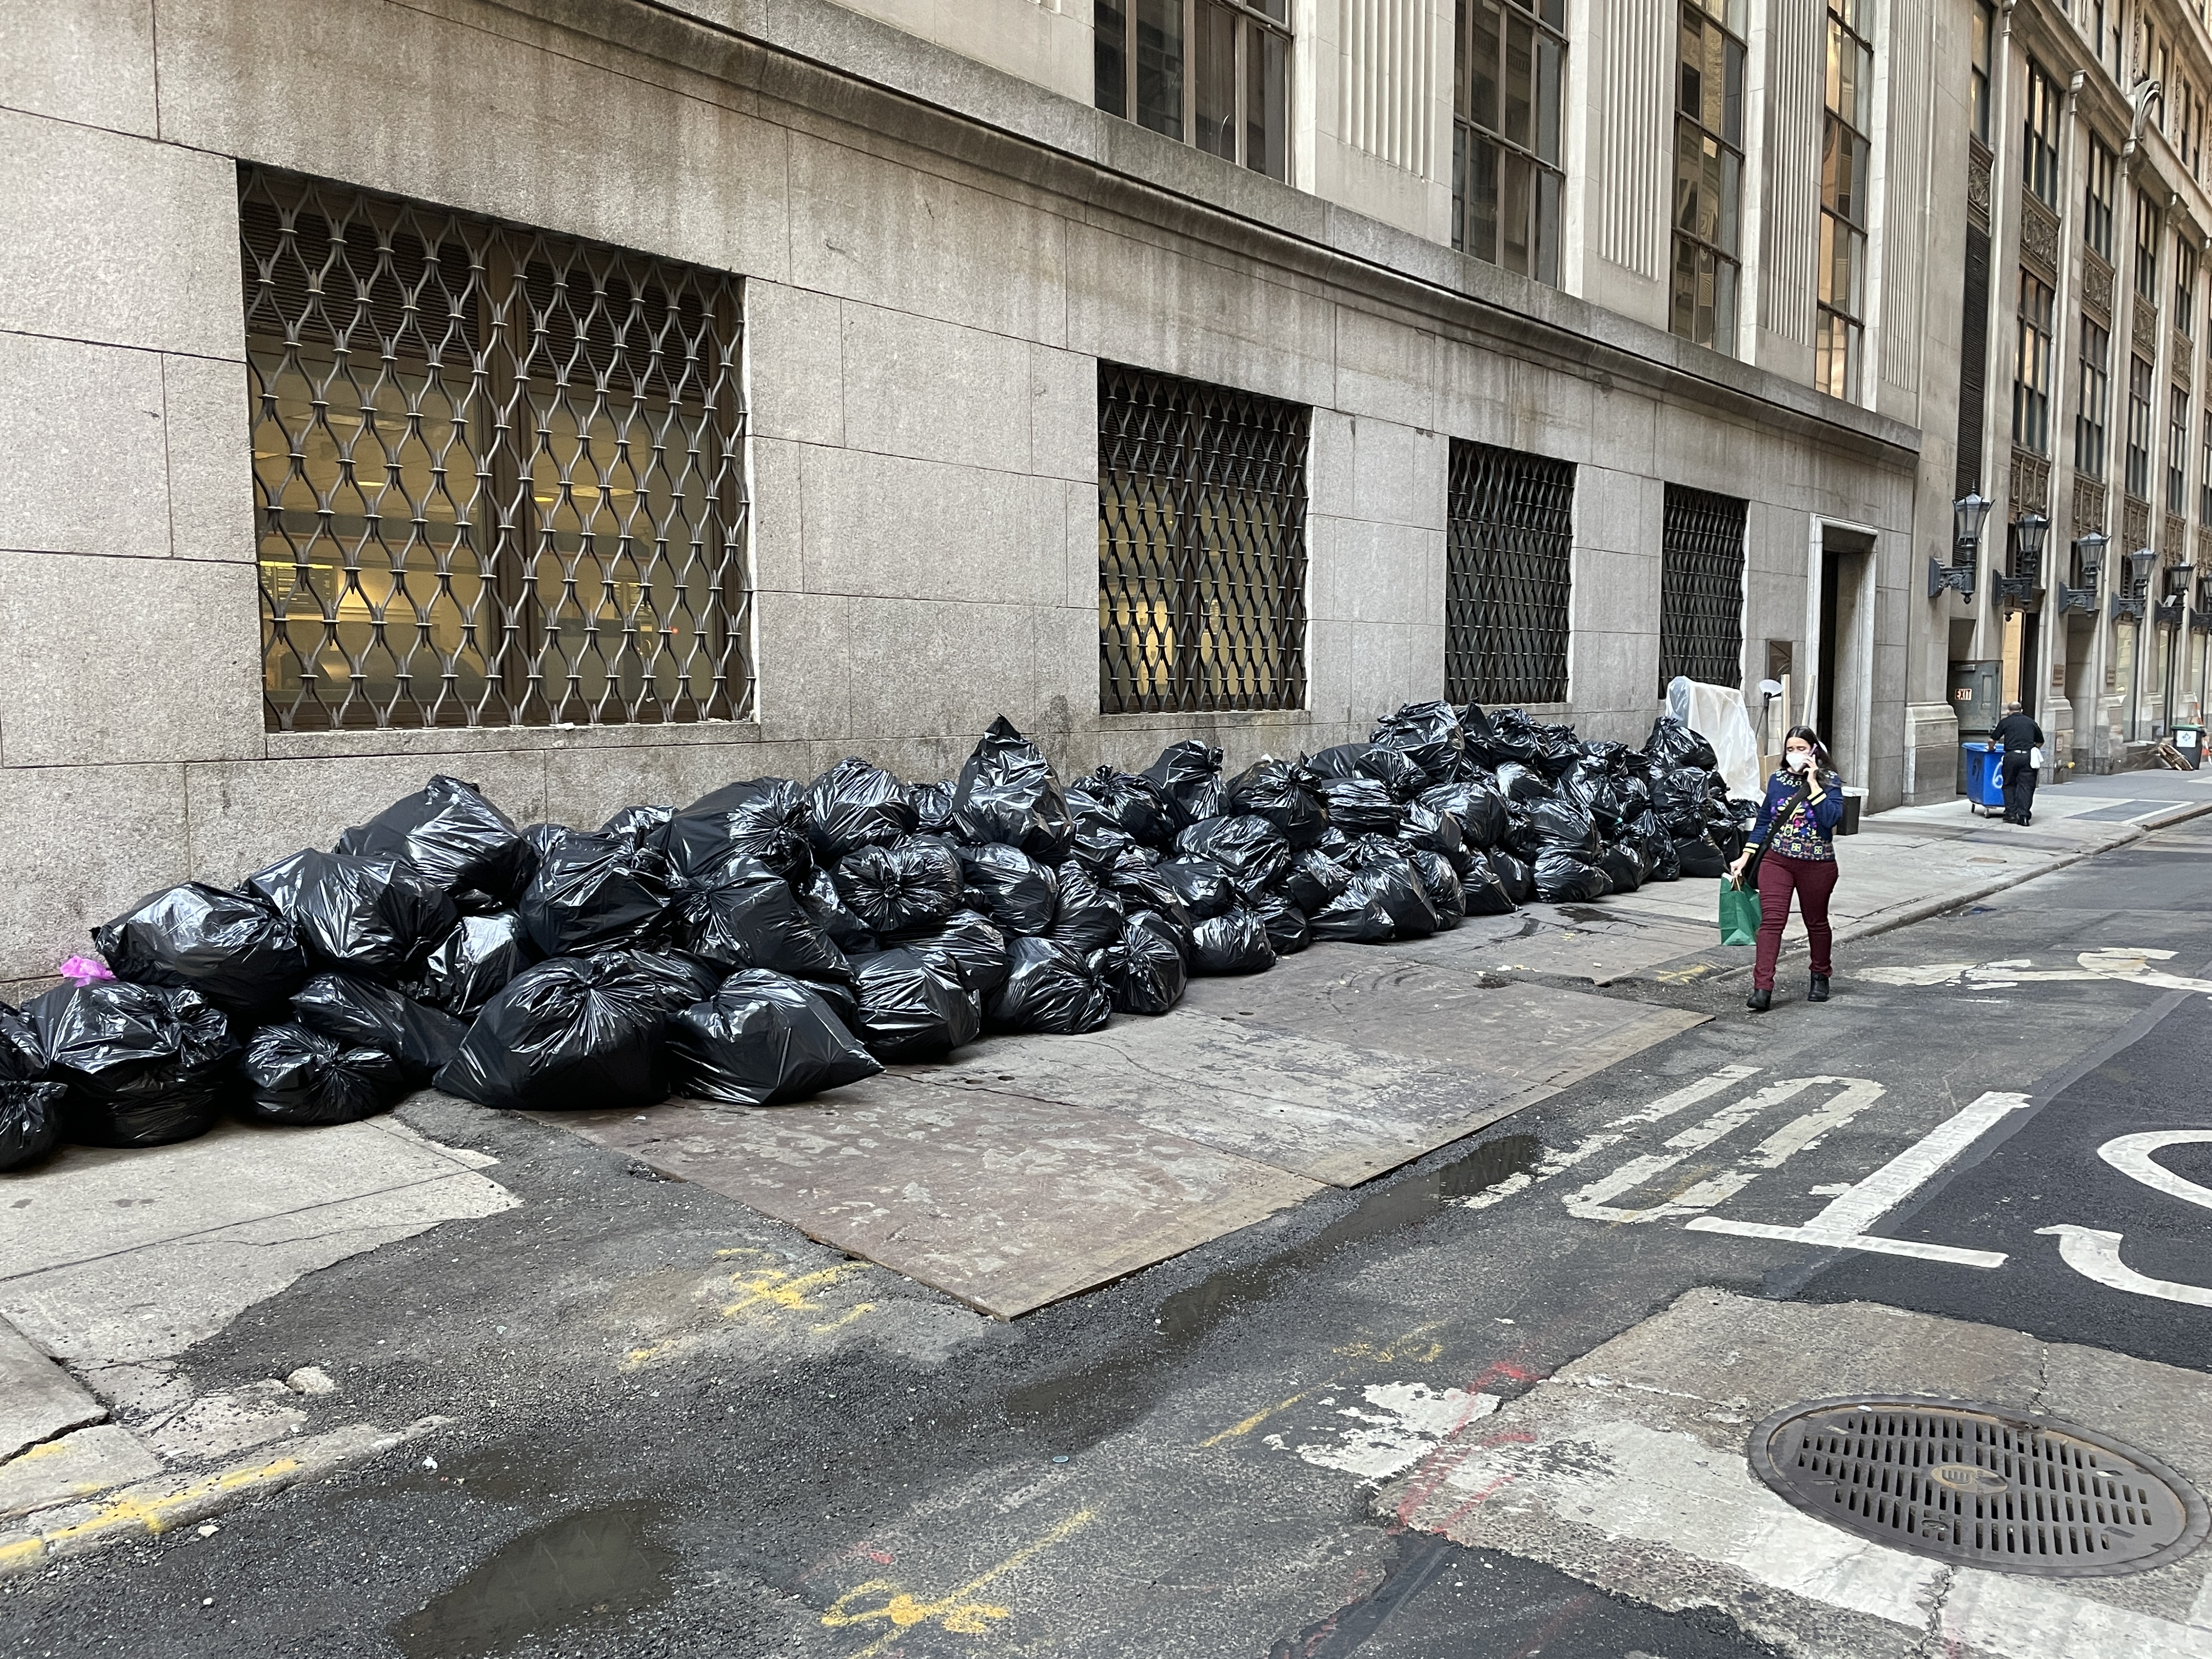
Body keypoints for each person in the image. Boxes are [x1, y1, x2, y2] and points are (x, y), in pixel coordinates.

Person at [1728, 726, 1846, 1013]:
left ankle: (1820, 976)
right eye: (1790, 750)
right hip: (1777, 860)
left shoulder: (1830, 781)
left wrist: (1814, 782)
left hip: (1817, 864)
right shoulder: (1778, 780)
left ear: (1814, 751)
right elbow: (1766, 820)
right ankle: (1762, 989)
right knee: (1772, 922)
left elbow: (1831, 819)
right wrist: (1746, 856)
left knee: (1816, 922)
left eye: (1801, 749)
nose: (1795, 755)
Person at [1990, 700, 2044, 825]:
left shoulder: (2005, 722)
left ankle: (2011, 814)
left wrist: (1991, 748)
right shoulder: (2031, 722)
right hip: (2027, 757)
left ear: (2008, 711)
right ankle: (2024, 817)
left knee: (2009, 785)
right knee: (2026, 786)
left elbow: (1992, 740)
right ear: (2022, 710)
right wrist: (2032, 748)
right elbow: (2040, 741)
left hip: (2011, 756)